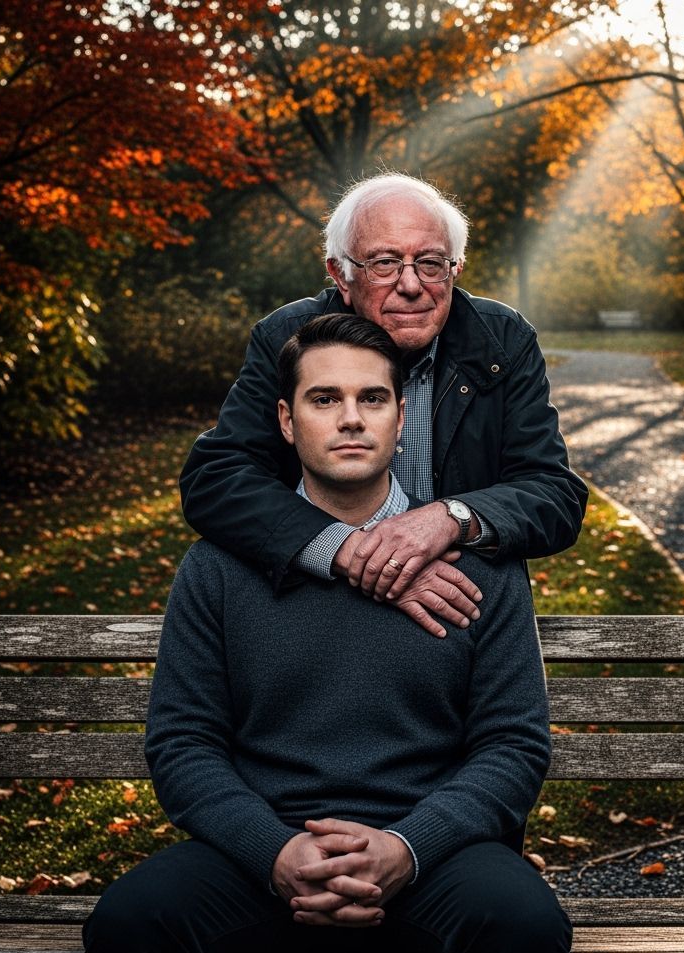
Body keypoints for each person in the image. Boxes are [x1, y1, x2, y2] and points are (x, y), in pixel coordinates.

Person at [82, 314, 573, 953]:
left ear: (402, 417)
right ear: (285, 421)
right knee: (131, 927)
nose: (350, 419)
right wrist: (275, 852)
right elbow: (182, 744)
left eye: (372, 399)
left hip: (433, 860)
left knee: (524, 929)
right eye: (324, 400)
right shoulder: (219, 567)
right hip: (262, 857)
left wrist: (407, 847)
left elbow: (514, 747)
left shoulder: (482, 568)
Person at [179, 172, 587, 637]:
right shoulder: (289, 339)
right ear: (341, 275)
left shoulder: (502, 341)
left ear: (455, 269)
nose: (411, 285)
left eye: (431, 263)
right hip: (310, 609)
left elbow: (554, 494)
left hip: (456, 615)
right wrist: (352, 553)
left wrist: (449, 518)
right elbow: (215, 478)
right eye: (385, 263)